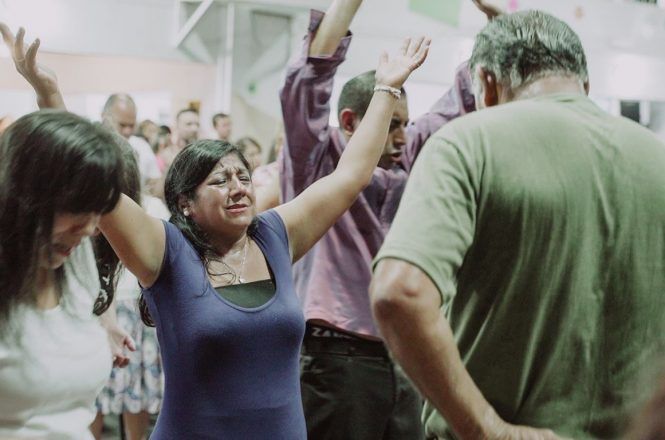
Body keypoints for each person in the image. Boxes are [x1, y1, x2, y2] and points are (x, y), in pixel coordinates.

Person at [12, 20, 431, 439]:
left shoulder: (275, 236)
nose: (239, 188)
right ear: (186, 203)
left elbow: (350, 175)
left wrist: (386, 89)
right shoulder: (166, 252)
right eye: (220, 180)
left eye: (243, 177)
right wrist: (49, 96)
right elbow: (93, 181)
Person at [370, 10, 665, 440]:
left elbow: (399, 292)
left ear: (486, 84)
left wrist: (486, 429)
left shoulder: (468, 143)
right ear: (584, 84)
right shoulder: (657, 158)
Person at [279, 0, 476, 437]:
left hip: (406, 356)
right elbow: (308, 78)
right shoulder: (317, 158)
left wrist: (498, 18)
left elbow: (464, 99)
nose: (404, 136)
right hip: (337, 358)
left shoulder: (409, 154)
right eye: (392, 123)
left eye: (406, 123)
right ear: (350, 122)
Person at [0, 106, 128, 439]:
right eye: (78, 209)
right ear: (23, 196)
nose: (88, 229)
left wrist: (107, 321)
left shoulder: (73, 262)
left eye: (97, 212)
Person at [101, 94, 162, 197]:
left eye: (131, 125)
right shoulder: (90, 146)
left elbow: (155, 184)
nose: (127, 131)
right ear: (104, 117)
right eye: (122, 125)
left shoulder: (142, 146)